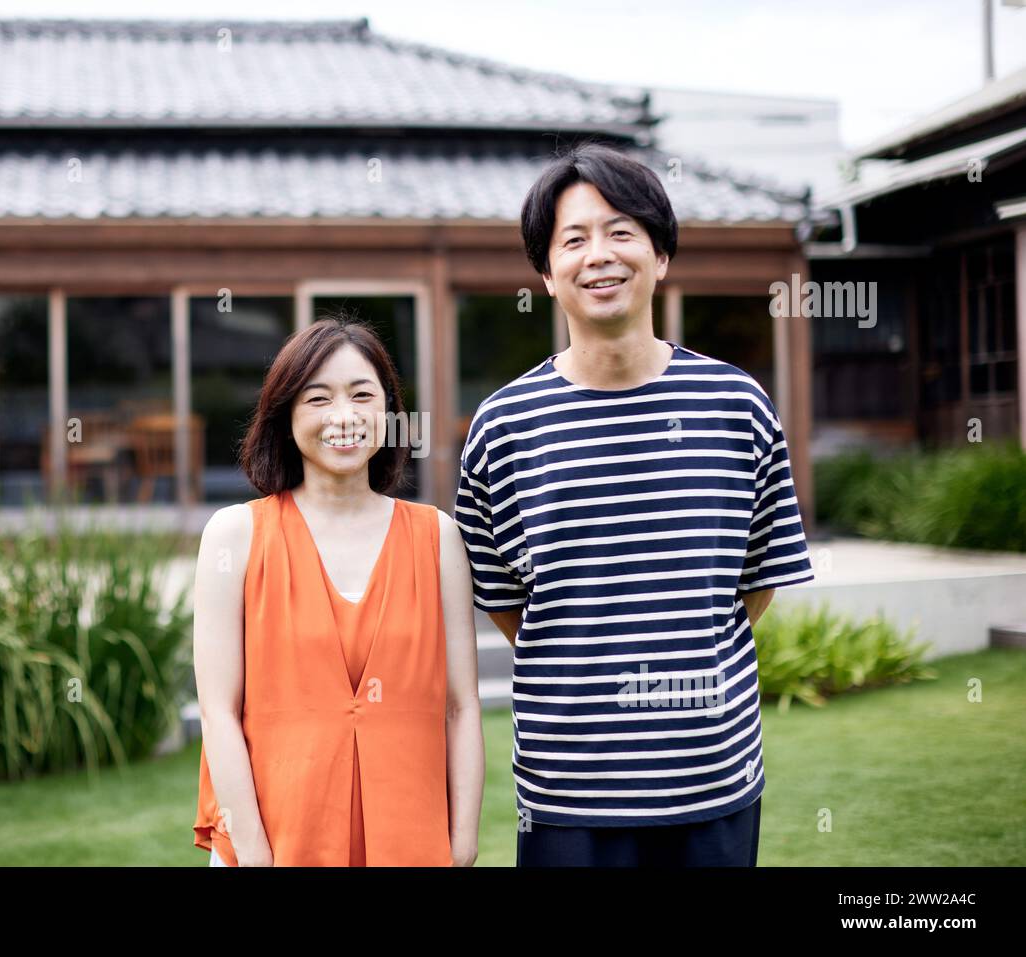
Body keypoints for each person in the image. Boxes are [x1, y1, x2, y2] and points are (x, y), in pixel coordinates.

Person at [454, 142, 815, 867]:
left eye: (622, 231)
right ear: (546, 274)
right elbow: (509, 606)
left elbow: (755, 580)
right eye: (574, 239)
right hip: (568, 797)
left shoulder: (737, 406)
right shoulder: (502, 428)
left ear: (661, 254)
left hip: (712, 778)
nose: (600, 255)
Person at [192, 315, 484, 866]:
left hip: (412, 840)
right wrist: (253, 852)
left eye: (362, 395)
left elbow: (461, 708)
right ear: (286, 417)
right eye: (318, 398)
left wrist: (462, 842)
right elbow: (218, 712)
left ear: (389, 411)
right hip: (275, 842)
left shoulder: (437, 537)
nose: (344, 417)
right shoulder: (235, 536)